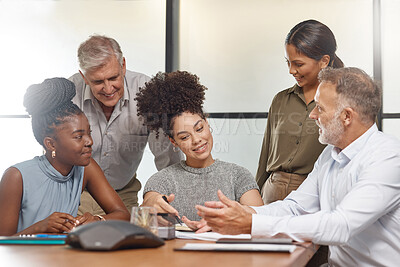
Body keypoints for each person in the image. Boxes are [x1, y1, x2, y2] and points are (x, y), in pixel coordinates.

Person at [196, 67, 400, 266]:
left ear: (347, 116)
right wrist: (240, 214)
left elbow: (341, 225)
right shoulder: (330, 153)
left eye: (319, 108)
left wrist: (251, 223)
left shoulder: (389, 157)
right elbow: (296, 207)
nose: (312, 115)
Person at [0, 78, 130, 236]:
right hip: (23, 259)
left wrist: (97, 219)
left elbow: (123, 215)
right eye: (78, 137)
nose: (90, 141)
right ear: (51, 144)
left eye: (89, 132)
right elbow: (3, 243)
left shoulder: (86, 168)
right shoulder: (16, 176)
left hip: (64, 257)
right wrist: (39, 228)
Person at [69, 35, 183, 215]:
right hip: (75, 191)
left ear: (123, 65)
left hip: (123, 192)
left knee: (127, 239)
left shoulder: (147, 90)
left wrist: (172, 201)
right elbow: (54, 153)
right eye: (98, 82)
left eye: (113, 78)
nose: (108, 89)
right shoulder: (69, 94)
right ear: (84, 76)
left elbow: (167, 156)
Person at [136, 71, 264, 231]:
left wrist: (222, 222)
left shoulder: (238, 175)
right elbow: (143, 219)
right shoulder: (162, 181)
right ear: (173, 141)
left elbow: (260, 221)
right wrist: (149, 206)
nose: (196, 140)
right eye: (184, 137)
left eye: (199, 128)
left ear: (207, 123)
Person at [256, 19, 344, 204]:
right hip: (271, 193)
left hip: (314, 195)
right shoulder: (281, 100)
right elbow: (265, 155)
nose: (291, 70)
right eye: (288, 62)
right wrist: (254, 198)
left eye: (298, 64)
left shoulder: (345, 101)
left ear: (324, 61)